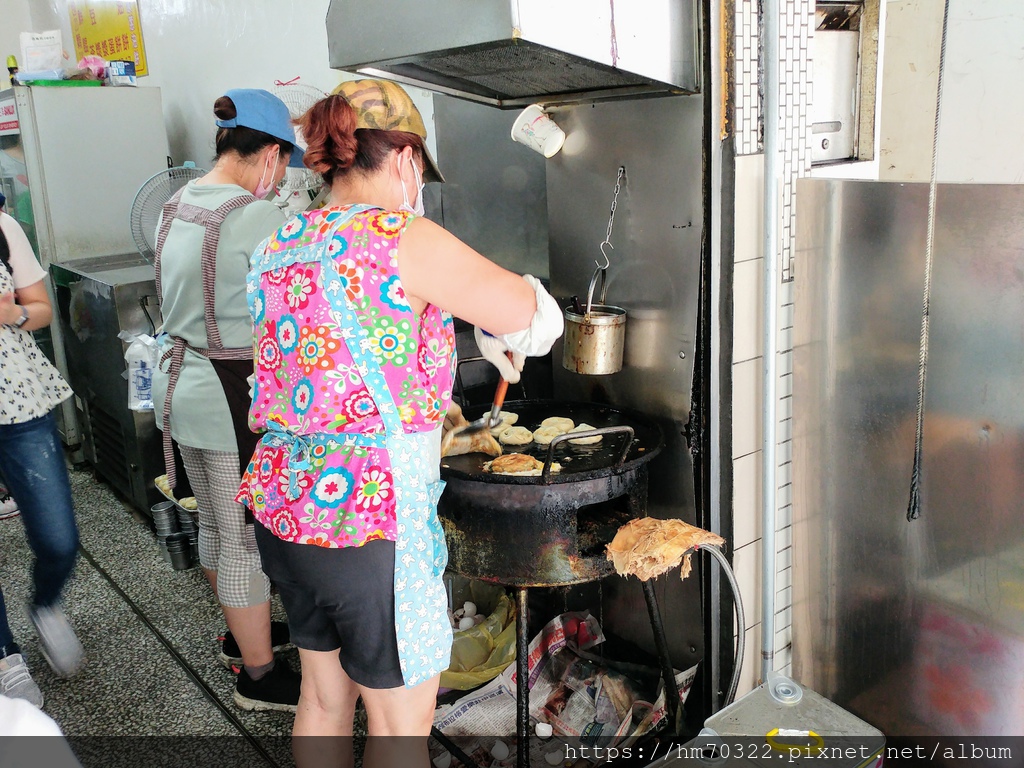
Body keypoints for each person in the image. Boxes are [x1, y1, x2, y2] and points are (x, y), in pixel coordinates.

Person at [236, 79, 563, 765]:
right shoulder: (400, 235)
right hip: (369, 523)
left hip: (286, 505)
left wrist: (465, 327)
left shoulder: (282, 244)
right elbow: (528, 315)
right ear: (407, 159)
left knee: (324, 700)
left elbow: (347, 347)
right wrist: (515, 319)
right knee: (399, 725)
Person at [151, 89, 302, 712]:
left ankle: (242, 638)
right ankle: (260, 676)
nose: (281, 180)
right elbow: (297, 308)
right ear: (270, 153)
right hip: (224, 393)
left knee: (214, 523)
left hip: (179, 384)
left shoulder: (177, 200)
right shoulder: (254, 216)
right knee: (243, 539)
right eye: (283, 166)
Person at [0, 207, 84, 707]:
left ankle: (46, 603)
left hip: (18, 406)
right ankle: (5, 655)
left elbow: (41, 307)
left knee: (58, 539)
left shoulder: (2, 227)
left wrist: (12, 314)